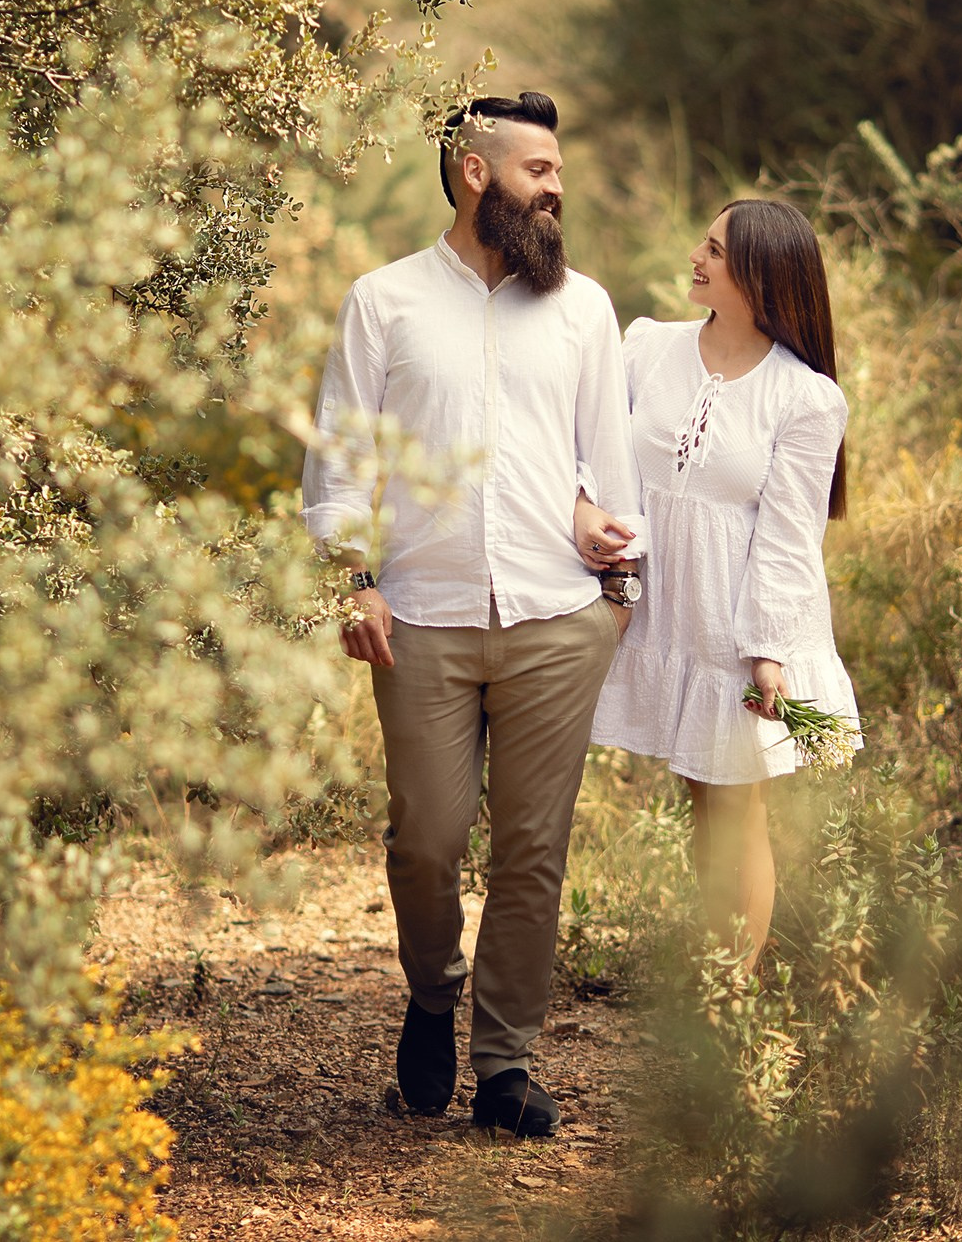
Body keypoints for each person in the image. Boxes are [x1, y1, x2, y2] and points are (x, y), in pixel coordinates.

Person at [300, 92, 645, 1139]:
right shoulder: (383, 302)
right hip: (420, 618)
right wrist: (352, 581)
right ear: (474, 174)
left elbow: (610, 468)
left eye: (557, 171)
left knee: (532, 853)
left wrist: (614, 594)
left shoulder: (583, 309)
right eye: (539, 169)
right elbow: (339, 458)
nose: (555, 189)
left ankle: (504, 1061)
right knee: (426, 840)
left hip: (555, 618)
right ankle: (431, 993)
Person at [582, 199, 860, 964]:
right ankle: (716, 974)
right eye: (703, 243)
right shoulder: (648, 347)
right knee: (701, 801)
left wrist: (766, 651)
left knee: (736, 810)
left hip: (735, 623)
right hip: (658, 607)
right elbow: (597, 458)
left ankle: (730, 992)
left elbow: (789, 535)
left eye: (716, 251)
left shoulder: (804, 397)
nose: (695, 258)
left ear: (762, 277)